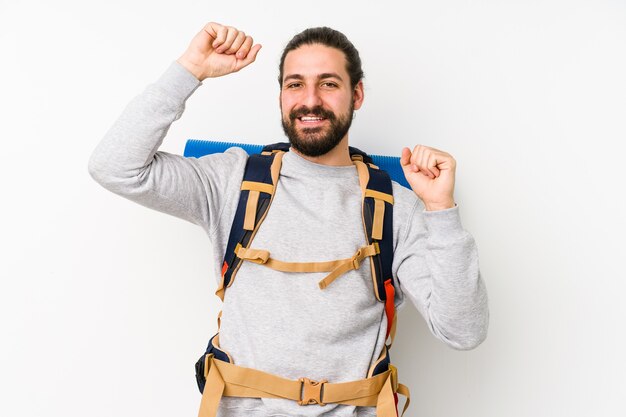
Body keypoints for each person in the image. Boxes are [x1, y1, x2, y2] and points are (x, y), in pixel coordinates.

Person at [89, 21, 488, 417]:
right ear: (281, 95)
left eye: (329, 84)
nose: (309, 100)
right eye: (295, 84)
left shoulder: (398, 206)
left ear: (357, 94)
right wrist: (190, 69)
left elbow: (464, 331)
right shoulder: (233, 180)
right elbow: (115, 167)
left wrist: (441, 210)